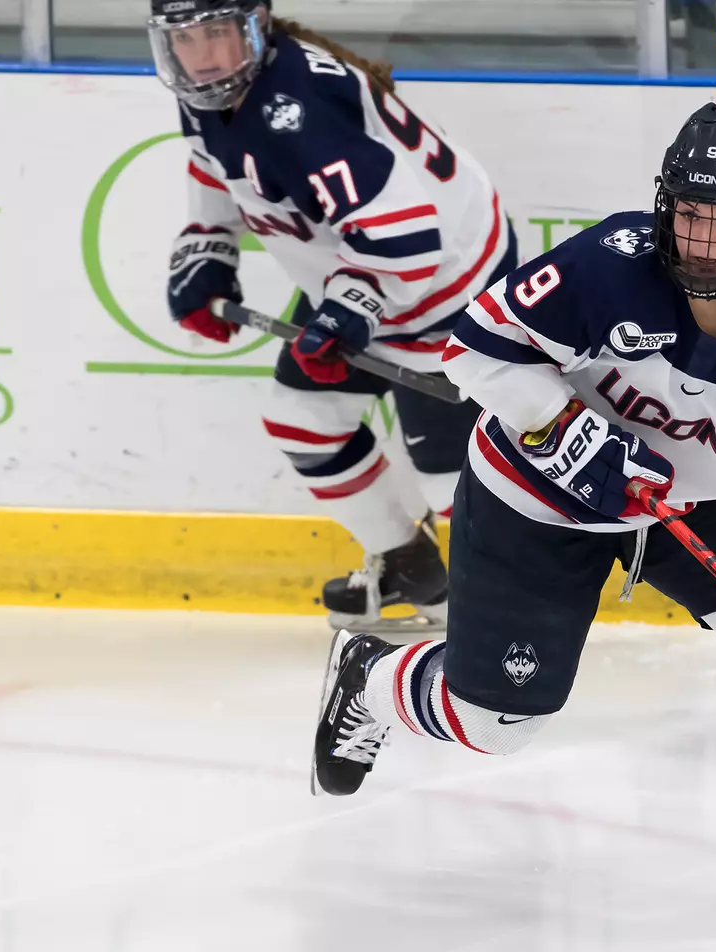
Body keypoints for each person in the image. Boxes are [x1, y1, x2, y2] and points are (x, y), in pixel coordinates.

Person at [310, 104, 716, 900]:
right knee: (497, 725)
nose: (703, 240)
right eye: (690, 214)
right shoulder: (610, 263)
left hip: (688, 505)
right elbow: (475, 350)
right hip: (536, 501)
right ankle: (374, 679)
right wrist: (564, 429)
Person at [148, 0, 519, 628]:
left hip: (449, 290)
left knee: (451, 480)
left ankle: (513, 611)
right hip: (362, 268)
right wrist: (208, 252)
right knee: (302, 418)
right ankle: (410, 565)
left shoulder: (298, 111)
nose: (204, 56)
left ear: (256, 25)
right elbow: (217, 166)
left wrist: (347, 313)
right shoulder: (213, 92)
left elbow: (404, 235)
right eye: (186, 39)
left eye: (217, 33)